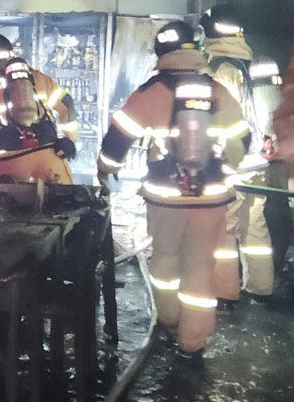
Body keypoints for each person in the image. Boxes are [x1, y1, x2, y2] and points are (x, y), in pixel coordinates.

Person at [97, 20, 247, 360]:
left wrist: (106, 169)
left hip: (166, 199)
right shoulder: (217, 90)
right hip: (211, 199)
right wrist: (223, 169)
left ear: (161, 53)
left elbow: (117, 139)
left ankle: (168, 321)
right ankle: (193, 343)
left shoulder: (151, 92)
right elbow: (242, 140)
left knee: (164, 262)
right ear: (196, 50)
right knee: (201, 268)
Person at [198, 5, 272, 301]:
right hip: (259, 158)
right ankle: (261, 288)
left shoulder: (220, 70)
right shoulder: (251, 62)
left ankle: (223, 292)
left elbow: (219, 120)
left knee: (223, 229)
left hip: (232, 161)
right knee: (254, 225)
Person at [0, 34, 80, 183]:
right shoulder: (37, 77)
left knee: (5, 197)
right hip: (49, 158)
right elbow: (67, 104)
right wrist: (70, 140)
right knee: (64, 197)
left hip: (11, 164)